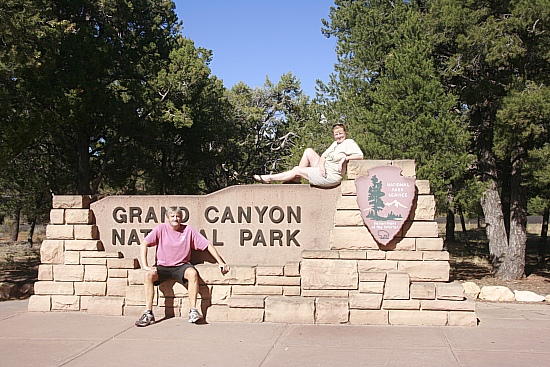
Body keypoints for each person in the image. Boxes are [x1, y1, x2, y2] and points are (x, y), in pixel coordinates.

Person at [135, 207, 229, 326]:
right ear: (168, 218)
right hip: (162, 266)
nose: (175, 219)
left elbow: (207, 245)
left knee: (192, 273)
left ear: (181, 218)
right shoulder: (161, 229)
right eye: (173, 216)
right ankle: (148, 313)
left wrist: (220, 262)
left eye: (178, 216)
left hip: (181, 266)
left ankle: (193, 311)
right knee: (148, 275)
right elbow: (144, 243)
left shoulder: (188, 230)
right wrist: (146, 266)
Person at [253, 123, 364, 187]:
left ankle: (269, 178)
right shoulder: (335, 144)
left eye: (341, 133)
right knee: (308, 151)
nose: (339, 136)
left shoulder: (349, 142)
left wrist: (345, 158)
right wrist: (321, 165)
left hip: (331, 176)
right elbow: (324, 156)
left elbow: (360, 156)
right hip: (323, 170)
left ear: (345, 133)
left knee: (297, 169)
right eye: (336, 134)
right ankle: (296, 179)